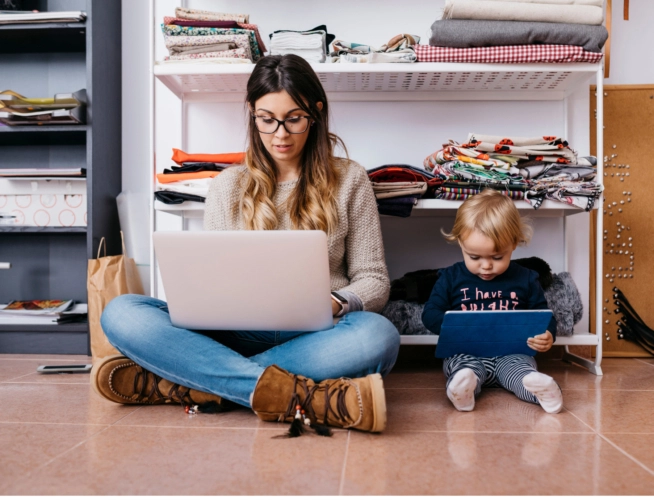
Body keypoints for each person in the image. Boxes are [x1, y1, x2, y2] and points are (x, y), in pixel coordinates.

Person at [92, 54, 400, 433]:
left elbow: (374, 280)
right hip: (235, 333)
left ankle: (198, 384)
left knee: (379, 336)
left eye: (294, 119)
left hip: (317, 333)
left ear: (316, 113)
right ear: (252, 113)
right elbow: (215, 281)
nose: (280, 134)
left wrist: (336, 302)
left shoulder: (350, 179)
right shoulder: (228, 186)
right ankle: (292, 394)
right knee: (121, 312)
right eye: (266, 120)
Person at [421, 189, 563, 414]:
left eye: (497, 257)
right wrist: (453, 327)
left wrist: (547, 335)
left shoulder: (525, 278)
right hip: (466, 351)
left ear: (514, 244)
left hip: (512, 353)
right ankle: (464, 390)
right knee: (463, 369)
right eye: (474, 257)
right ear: (460, 243)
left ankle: (540, 388)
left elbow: (541, 314)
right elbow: (430, 313)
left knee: (520, 371)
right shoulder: (450, 277)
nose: (486, 266)